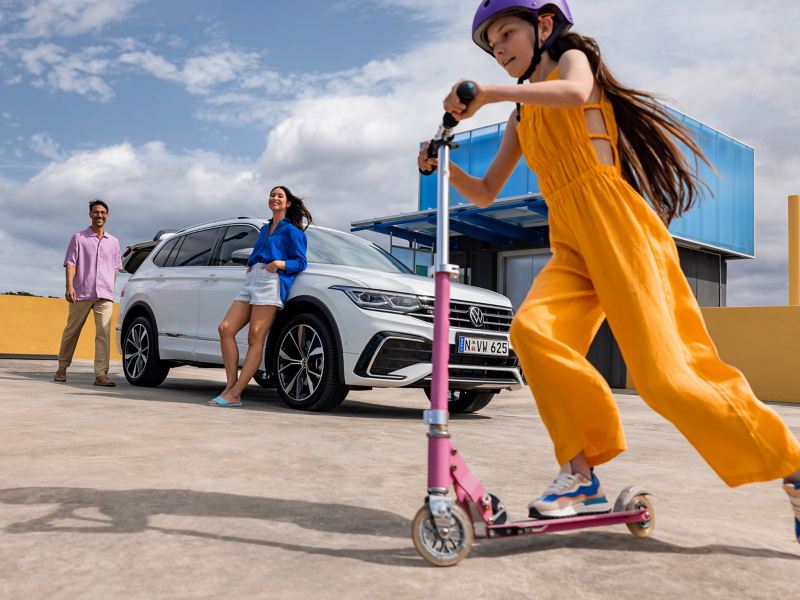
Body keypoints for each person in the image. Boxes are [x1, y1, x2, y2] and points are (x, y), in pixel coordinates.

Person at [419, 0, 800, 542]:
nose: (499, 48)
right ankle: (581, 477)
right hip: (571, 241)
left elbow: (573, 94)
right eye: (490, 43)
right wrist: (444, 164)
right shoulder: (521, 116)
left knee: (668, 377)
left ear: (544, 25)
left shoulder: (573, 61)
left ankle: (795, 467)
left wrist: (493, 90)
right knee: (532, 333)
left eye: (506, 33)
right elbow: (486, 191)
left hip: (620, 228)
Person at [209, 186, 311, 407]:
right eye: (272, 195)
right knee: (225, 328)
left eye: (280, 196)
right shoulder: (265, 229)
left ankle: (235, 394)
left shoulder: (293, 231)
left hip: (270, 281)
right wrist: (250, 264)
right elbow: (257, 252)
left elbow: (301, 262)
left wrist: (279, 264)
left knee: (255, 338)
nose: (275, 198)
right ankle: (230, 387)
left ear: (288, 203)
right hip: (252, 280)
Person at [54, 198, 122, 387]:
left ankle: (101, 374)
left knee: (103, 334)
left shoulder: (114, 242)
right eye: (96, 212)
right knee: (72, 331)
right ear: (90, 214)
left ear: (107, 215)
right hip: (81, 292)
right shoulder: (79, 237)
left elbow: (114, 269)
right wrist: (69, 286)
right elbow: (71, 263)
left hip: (105, 295)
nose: (99, 215)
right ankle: (62, 367)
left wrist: (111, 290)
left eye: (103, 212)